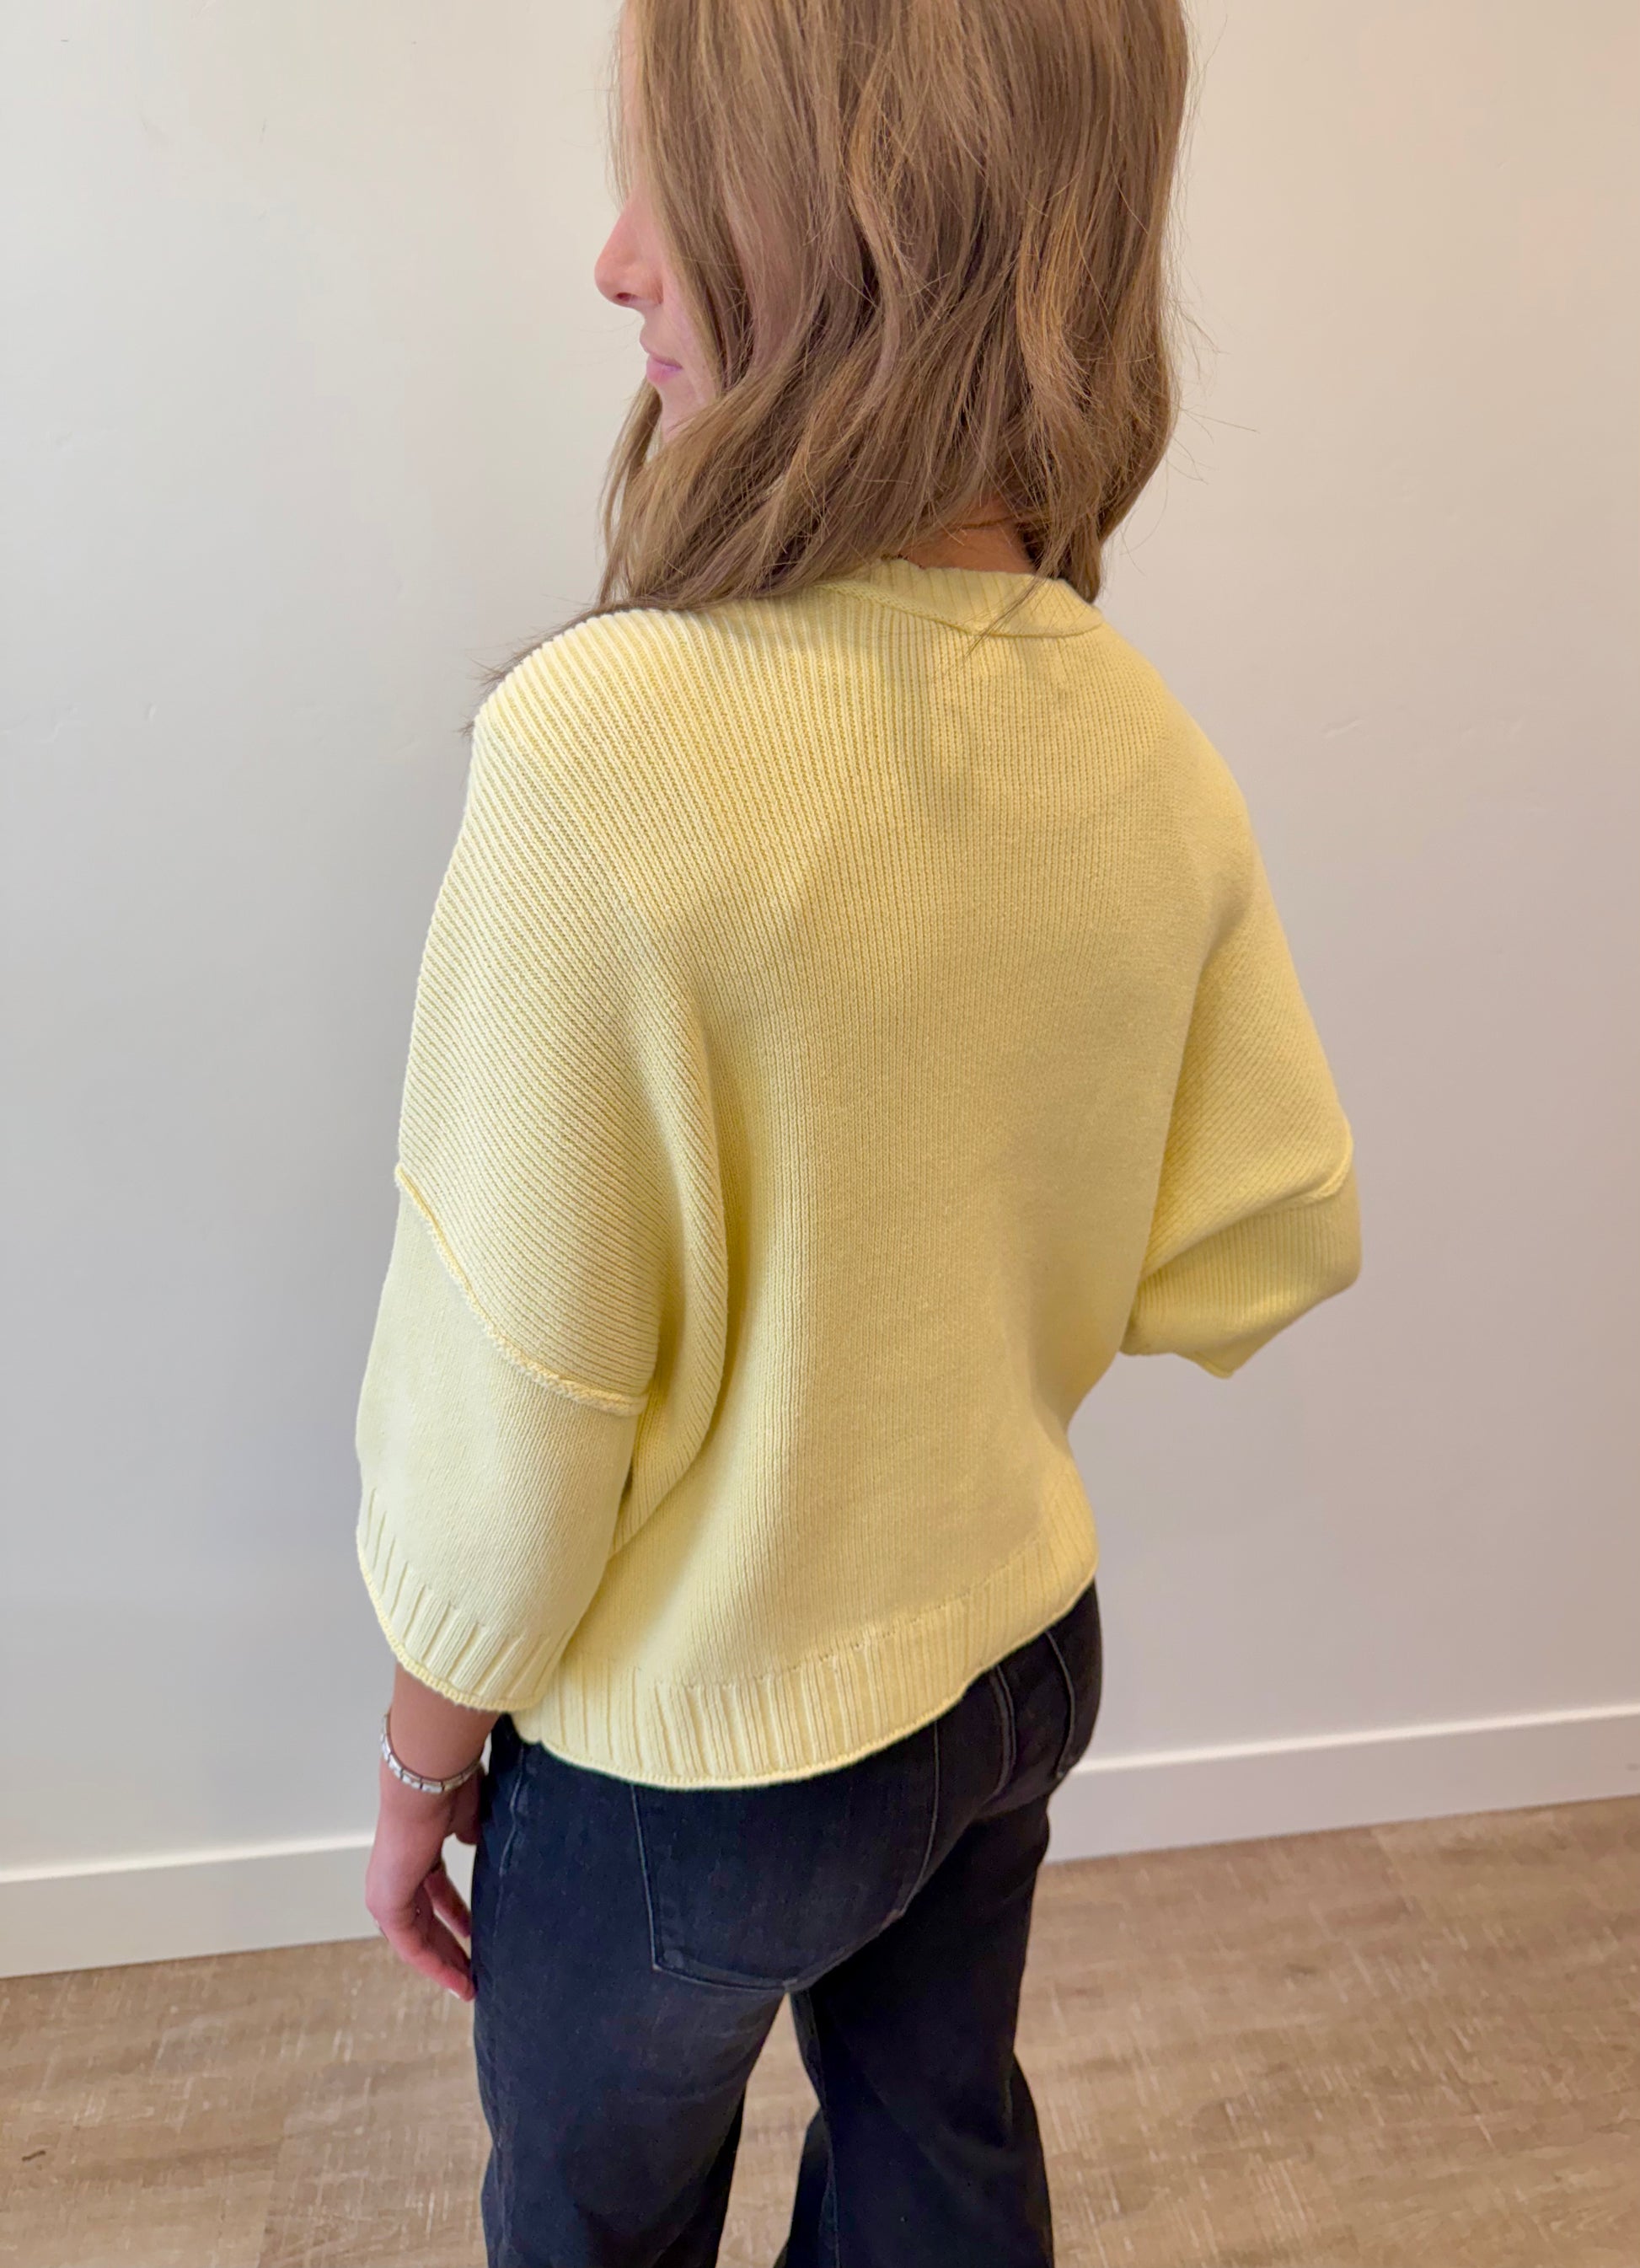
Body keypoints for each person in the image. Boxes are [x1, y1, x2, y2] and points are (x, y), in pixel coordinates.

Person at [354, 1, 1363, 2261]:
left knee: (597, 2217)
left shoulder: (603, 746)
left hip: (690, 1761)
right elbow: (1256, 1229)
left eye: (670, 182)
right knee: (937, 2149)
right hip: (1011, 1660)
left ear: (853, 215)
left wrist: (424, 1760)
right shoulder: (1128, 728)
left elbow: (508, 1414)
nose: (613, 261)